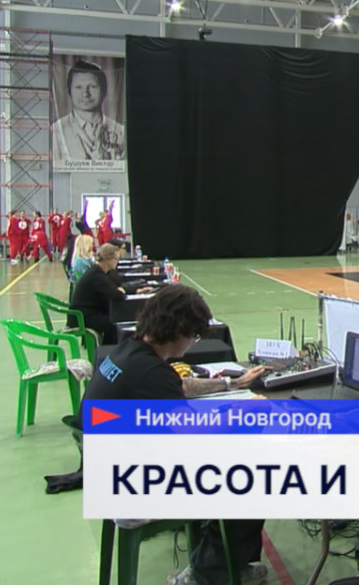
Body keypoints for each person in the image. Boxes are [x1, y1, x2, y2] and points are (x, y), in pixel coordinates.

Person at [80, 285, 269, 585]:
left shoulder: (129, 351)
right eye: (194, 336)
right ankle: (210, 574)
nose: (192, 344)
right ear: (179, 330)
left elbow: (180, 387)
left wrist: (233, 384)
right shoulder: (150, 373)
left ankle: (221, 561)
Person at [69, 244, 152, 343]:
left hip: (89, 313)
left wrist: (136, 290)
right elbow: (117, 295)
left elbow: (115, 288)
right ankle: (112, 348)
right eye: (116, 259)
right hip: (83, 317)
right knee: (116, 323)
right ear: (108, 260)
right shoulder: (96, 276)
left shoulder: (99, 272)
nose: (117, 261)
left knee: (114, 319)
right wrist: (119, 291)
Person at [52, 60, 125, 162]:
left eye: (92, 87)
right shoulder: (56, 131)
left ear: (104, 90)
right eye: (78, 87)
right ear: (69, 91)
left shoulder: (121, 131)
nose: (85, 94)